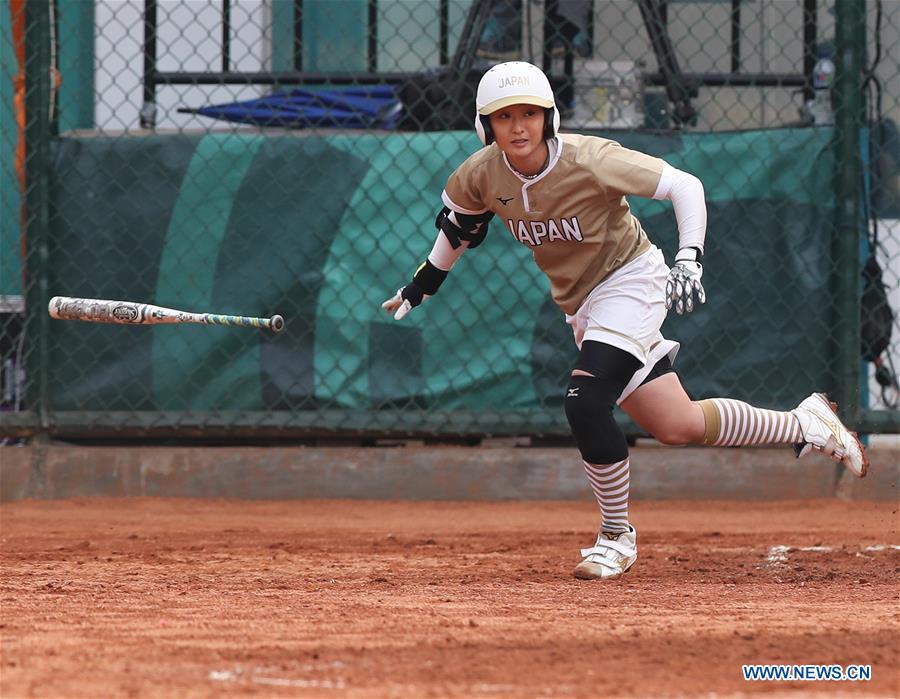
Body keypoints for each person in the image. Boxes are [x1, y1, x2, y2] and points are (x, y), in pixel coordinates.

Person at [382, 61, 868, 581]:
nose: (518, 127)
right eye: (504, 117)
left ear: (549, 118)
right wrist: (422, 284)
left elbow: (685, 186)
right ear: (486, 126)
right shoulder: (481, 174)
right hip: (583, 306)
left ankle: (616, 535)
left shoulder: (591, 158)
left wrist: (689, 259)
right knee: (676, 424)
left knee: (585, 401)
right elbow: (461, 226)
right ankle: (806, 423)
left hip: (631, 279)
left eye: (529, 114)